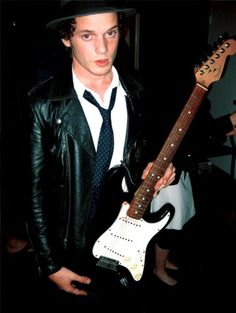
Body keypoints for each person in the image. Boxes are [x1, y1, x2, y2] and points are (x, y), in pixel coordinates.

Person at [26, 1, 176, 311]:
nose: (103, 48)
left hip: (127, 238)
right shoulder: (43, 104)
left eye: (111, 33)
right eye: (87, 36)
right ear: (66, 38)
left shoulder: (138, 92)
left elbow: (142, 155)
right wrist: (50, 265)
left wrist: (157, 170)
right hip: (69, 247)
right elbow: (33, 192)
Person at [150, 107, 236, 286]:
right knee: (168, 224)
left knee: (177, 220)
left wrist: (226, 128)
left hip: (180, 165)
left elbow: (201, 131)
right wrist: (228, 123)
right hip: (167, 167)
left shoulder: (196, 93)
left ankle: (163, 261)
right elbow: (193, 133)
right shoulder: (177, 91)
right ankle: (158, 269)